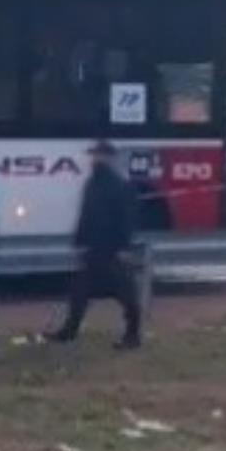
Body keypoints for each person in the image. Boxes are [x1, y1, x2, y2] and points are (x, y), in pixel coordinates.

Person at [48, 140, 143, 349]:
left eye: (99, 155)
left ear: (109, 158)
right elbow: (86, 214)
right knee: (79, 292)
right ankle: (69, 331)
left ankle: (133, 334)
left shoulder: (119, 185)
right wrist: (80, 241)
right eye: (94, 155)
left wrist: (124, 248)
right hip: (94, 247)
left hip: (111, 248)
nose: (95, 159)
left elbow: (126, 220)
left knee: (126, 294)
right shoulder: (92, 183)